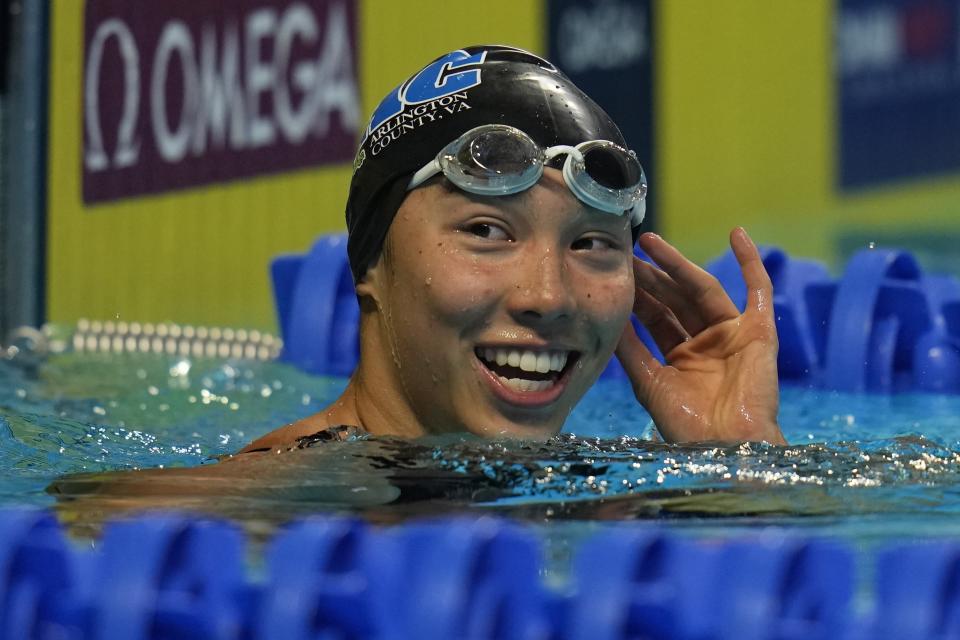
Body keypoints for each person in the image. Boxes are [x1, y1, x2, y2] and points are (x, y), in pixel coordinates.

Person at [241, 45, 786, 451]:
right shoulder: (256, 507)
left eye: (590, 242)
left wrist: (738, 459)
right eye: (486, 232)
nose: (549, 297)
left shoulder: (605, 495)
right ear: (372, 264)